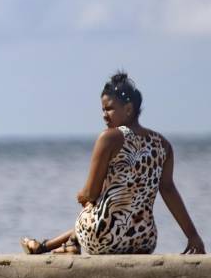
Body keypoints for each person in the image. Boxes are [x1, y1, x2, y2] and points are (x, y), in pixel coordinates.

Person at [21, 71, 205, 255]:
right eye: (102, 110)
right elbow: (169, 190)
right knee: (111, 208)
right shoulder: (163, 145)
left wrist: (82, 196)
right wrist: (193, 236)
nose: (104, 115)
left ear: (128, 109)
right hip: (143, 240)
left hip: (104, 239)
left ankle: (58, 246)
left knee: (94, 207)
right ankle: (53, 245)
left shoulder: (109, 138)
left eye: (109, 109)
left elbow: (90, 193)